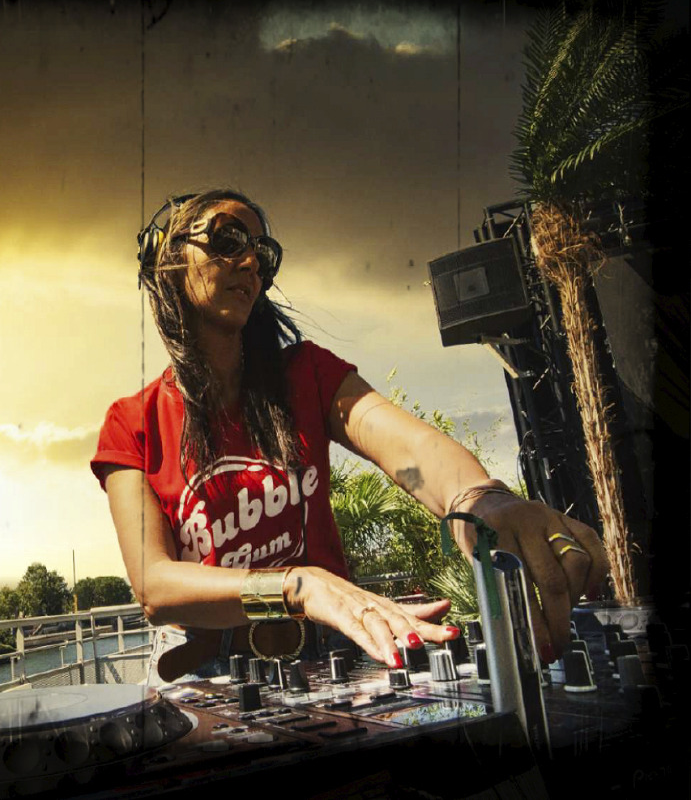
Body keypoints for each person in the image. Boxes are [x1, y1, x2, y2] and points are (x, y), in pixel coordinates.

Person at [91, 189, 608, 685]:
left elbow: (409, 452)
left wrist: (480, 500)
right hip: (213, 673)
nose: (249, 263)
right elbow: (154, 586)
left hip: (330, 654)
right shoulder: (132, 422)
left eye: (263, 255)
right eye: (228, 240)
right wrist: (297, 586)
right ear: (168, 258)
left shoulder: (308, 375)